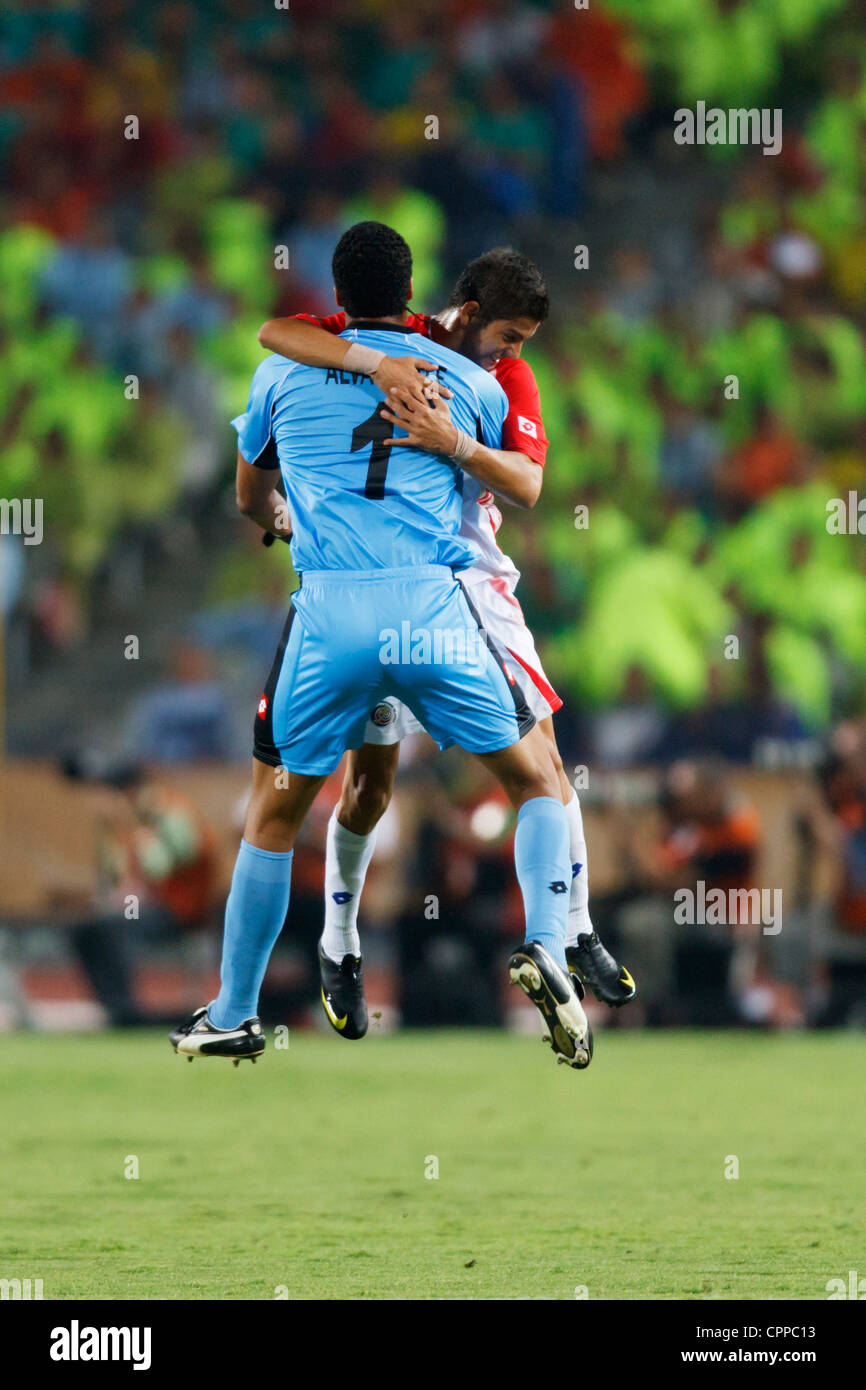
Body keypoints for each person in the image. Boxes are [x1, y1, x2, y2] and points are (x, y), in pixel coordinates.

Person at [170, 222, 591, 1070]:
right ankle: (551, 941)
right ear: (414, 295)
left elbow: (252, 497)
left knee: (276, 814)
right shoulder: (470, 383)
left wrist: (289, 520)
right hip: (431, 613)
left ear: (336, 295)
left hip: (329, 618)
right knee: (537, 779)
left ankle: (234, 1011)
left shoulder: (282, 372)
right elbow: (503, 490)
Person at [256, 249, 636, 1018]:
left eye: (526, 339)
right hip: (376, 589)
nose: (515, 353)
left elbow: (529, 483)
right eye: (509, 334)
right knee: (369, 788)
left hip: (469, 587)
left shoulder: (504, 381)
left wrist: (452, 442)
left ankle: (574, 932)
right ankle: (340, 942)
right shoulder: (401, 339)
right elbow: (275, 333)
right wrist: (374, 365)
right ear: (464, 312)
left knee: (544, 757)